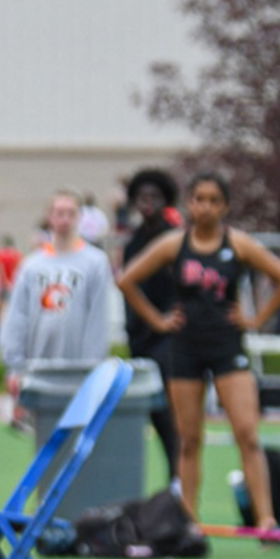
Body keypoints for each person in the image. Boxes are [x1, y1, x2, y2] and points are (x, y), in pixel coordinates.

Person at [117, 173, 280, 531]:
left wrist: (256, 318)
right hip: (185, 350)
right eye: (199, 199)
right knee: (188, 439)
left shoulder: (238, 244)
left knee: (247, 433)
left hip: (228, 348)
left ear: (225, 206)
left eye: (214, 200)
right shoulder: (174, 245)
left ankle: (265, 519)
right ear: (189, 204)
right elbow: (127, 280)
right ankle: (189, 520)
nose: (206, 207)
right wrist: (159, 320)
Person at [0, 189, 115, 401]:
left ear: (79, 217)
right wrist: (14, 364)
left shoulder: (95, 262)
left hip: (78, 367)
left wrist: (93, 365)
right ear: (49, 217)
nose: (65, 219)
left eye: (71, 213)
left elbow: (98, 318)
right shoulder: (31, 265)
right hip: (38, 364)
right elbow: (17, 316)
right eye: (59, 213)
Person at [118, 169, 183, 484]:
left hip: (167, 339)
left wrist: (165, 319)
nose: (148, 204)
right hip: (140, 336)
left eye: (154, 198)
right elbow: (127, 286)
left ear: (165, 201)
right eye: (142, 198)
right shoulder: (133, 242)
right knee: (153, 415)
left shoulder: (174, 238)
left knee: (172, 415)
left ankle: (177, 479)